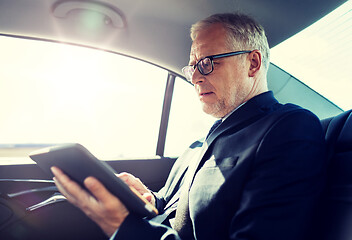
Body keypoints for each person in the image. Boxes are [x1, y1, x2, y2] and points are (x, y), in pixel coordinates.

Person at [52, 13, 327, 240]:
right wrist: (149, 199)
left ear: (252, 63)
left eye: (207, 63)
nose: (195, 77)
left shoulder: (288, 129)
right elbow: (173, 208)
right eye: (192, 66)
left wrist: (123, 226)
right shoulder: (197, 146)